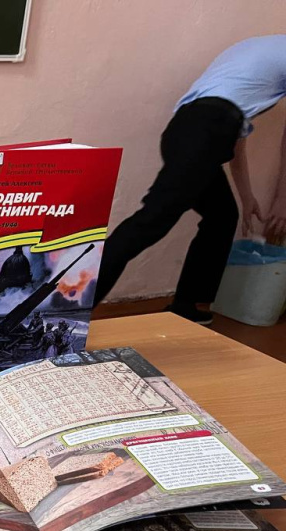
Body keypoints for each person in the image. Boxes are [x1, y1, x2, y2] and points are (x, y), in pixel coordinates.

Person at [95, 35, 286, 325]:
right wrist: (282, 201)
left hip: (188, 129)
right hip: (207, 130)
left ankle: (186, 306)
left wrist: (247, 197)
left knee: (222, 215)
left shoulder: (261, 49)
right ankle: (65, 310)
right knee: (150, 222)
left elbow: (234, 135)